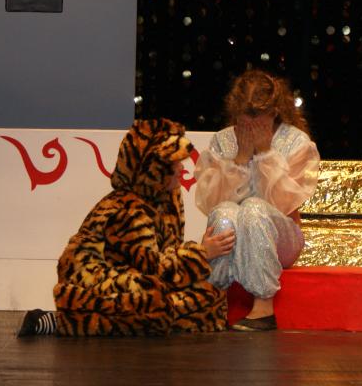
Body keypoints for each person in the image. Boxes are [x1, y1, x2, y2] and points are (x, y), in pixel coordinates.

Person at [18, 118, 235, 337]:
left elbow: (167, 256)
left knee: (209, 296)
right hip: (93, 282)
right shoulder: (129, 209)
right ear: (154, 169)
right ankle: (64, 321)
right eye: (174, 163)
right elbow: (155, 270)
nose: (181, 168)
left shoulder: (168, 197)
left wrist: (195, 257)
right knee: (155, 303)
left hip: (137, 277)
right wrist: (201, 253)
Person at [193, 69, 320, 331]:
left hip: (281, 237)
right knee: (225, 213)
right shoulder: (222, 141)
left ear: (274, 113)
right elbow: (211, 203)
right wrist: (240, 159)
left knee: (253, 208)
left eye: (259, 117)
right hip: (236, 227)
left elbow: (285, 203)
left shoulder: (296, 142)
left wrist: (264, 154)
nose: (251, 125)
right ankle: (214, 302)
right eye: (245, 117)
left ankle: (264, 307)